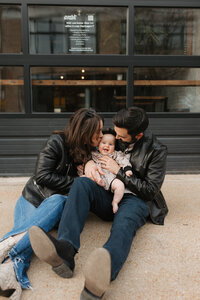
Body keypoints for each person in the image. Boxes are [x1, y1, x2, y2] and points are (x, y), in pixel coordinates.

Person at [29, 106, 168, 300]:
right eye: (114, 132)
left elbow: (150, 191)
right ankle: (66, 250)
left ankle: (101, 274)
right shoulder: (116, 133)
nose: (114, 138)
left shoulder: (157, 151)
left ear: (138, 136)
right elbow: (89, 146)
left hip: (134, 199)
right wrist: (88, 163)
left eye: (121, 137)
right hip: (106, 191)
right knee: (81, 183)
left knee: (124, 225)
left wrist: (119, 172)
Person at [0, 108, 103, 300]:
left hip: (55, 209)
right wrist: (78, 183)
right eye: (98, 132)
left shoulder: (93, 152)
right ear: (85, 133)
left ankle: (8, 246)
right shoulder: (57, 142)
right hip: (33, 199)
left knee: (58, 202)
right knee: (53, 207)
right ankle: (9, 267)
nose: (102, 135)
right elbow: (42, 175)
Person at [91, 128, 133, 213]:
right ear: (98, 145)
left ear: (114, 147)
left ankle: (115, 202)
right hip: (98, 177)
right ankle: (99, 181)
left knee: (120, 185)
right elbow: (86, 160)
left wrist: (127, 169)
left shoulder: (115, 155)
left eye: (110, 144)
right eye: (103, 143)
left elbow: (123, 160)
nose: (107, 146)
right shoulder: (94, 154)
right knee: (91, 173)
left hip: (112, 179)